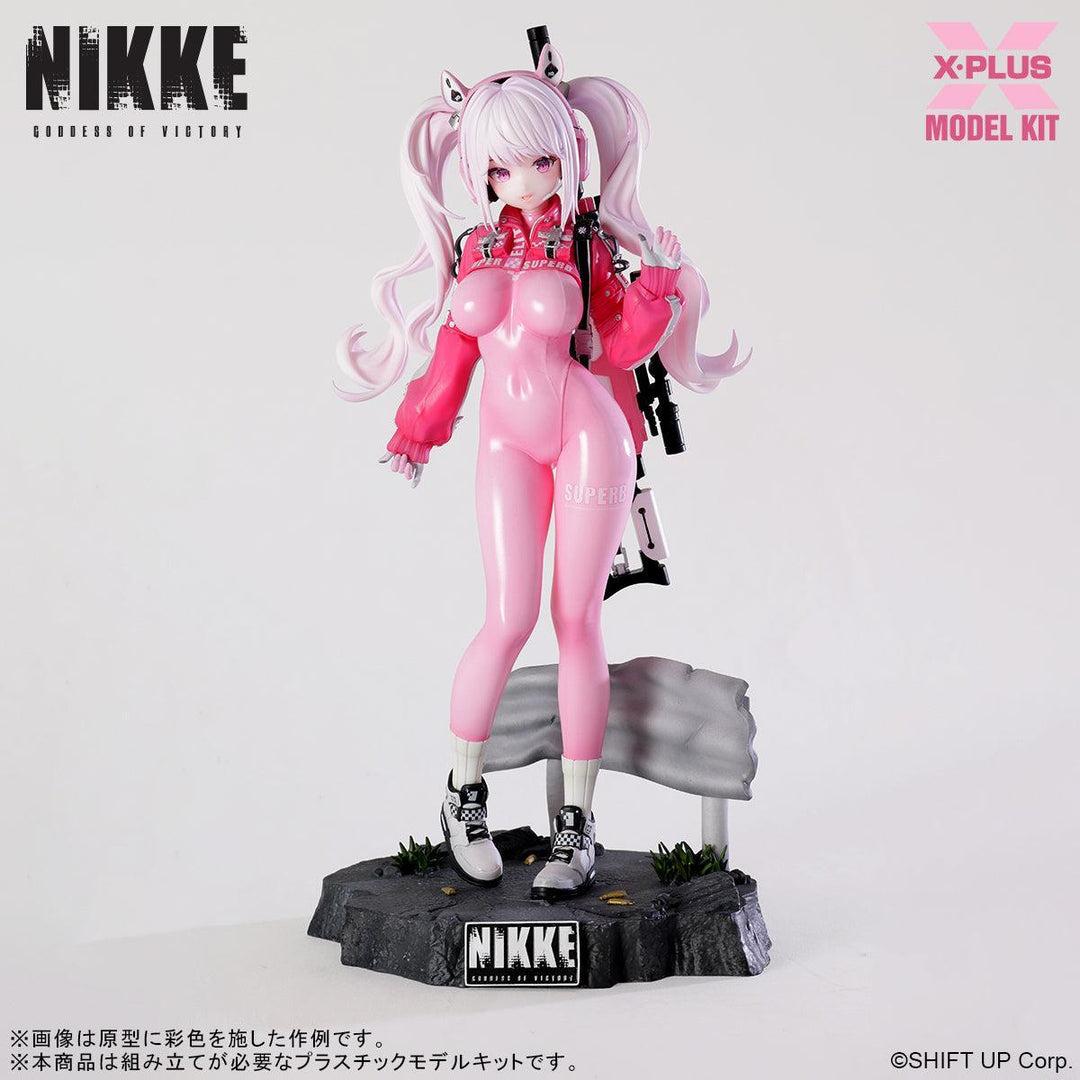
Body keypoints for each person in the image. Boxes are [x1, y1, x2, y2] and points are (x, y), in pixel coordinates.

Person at [336, 44, 746, 900]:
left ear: (566, 153)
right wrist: (419, 429)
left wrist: (658, 285)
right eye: (499, 166)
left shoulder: (584, 239)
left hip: (589, 435)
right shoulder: (475, 246)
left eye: (538, 160)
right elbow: (454, 356)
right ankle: (463, 796)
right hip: (504, 444)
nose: (519, 180)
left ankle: (577, 824)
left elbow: (620, 344)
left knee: (576, 621)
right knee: (506, 618)